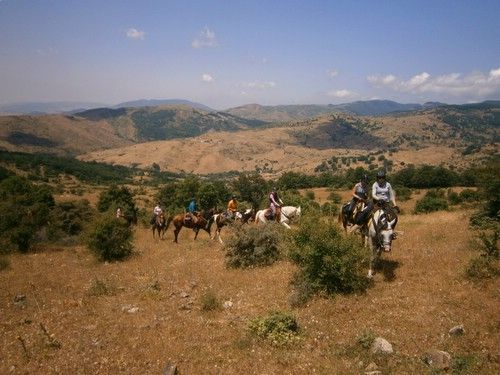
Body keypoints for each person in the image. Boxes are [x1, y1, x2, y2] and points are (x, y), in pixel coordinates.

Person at [372, 170, 399, 235]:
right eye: (379, 177)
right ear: (377, 178)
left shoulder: (388, 184)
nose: (381, 179)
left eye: (382, 177)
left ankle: (391, 232)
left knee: (394, 217)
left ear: (384, 178)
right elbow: (373, 194)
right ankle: (363, 227)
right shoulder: (375, 184)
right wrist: (379, 199)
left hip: (386, 203)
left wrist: (395, 205)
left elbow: (391, 195)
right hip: (377, 203)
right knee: (369, 213)